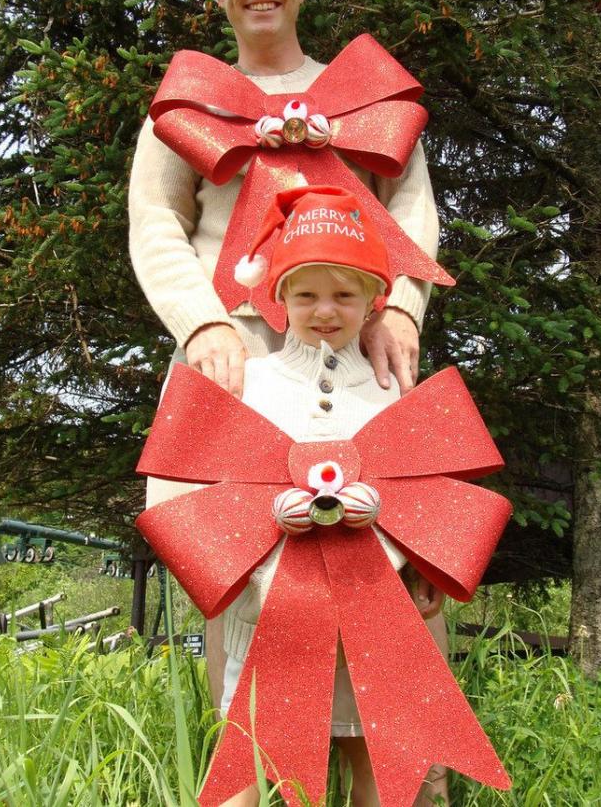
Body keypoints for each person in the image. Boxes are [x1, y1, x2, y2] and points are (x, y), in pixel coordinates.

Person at [128, 0, 443, 770]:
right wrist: (200, 325)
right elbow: (155, 222)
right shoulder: (187, 102)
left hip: (356, 345)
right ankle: (255, 768)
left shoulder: (366, 94)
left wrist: (401, 309)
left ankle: (398, 773)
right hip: (234, 351)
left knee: (390, 546)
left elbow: (412, 207)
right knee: (236, 554)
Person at [194, 184, 450, 806]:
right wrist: (268, 517)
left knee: (379, 762)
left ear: (375, 300)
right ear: (278, 297)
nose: (325, 310)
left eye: (344, 294)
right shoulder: (249, 385)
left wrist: (424, 560)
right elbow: (216, 502)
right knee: (250, 761)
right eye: (306, 294)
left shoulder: (392, 390)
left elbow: (428, 497)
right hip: (270, 620)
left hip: (375, 623)